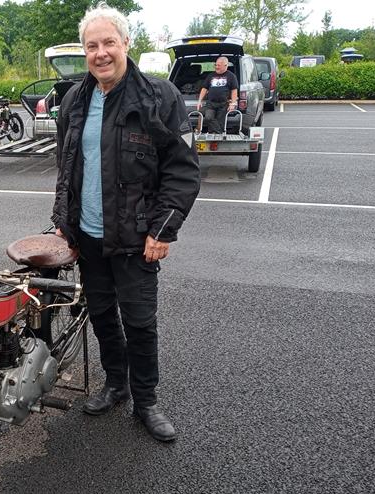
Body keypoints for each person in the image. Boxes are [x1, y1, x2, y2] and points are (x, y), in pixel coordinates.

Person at [51, 3, 200, 442]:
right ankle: (115, 384)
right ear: (84, 51)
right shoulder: (74, 100)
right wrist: (64, 220)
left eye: (108, 43)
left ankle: (146, 401)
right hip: (90, 237)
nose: (101, 53)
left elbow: (183, 169)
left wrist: (163, 228)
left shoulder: (159, 97)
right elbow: (66, 166)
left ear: (126, 44)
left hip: (137, 238)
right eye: (92, 45)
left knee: (138, 320)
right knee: (100, 314)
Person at [197, 57, 239, 133]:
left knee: (220, 123)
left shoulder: (231, 76)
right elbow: (204, 89)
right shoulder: (211, 75)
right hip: (211, 103)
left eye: (219, 65)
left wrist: (233, 103)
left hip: (223, 103)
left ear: (225, 65)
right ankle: (219, 133)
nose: (216, 67)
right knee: (208, 118)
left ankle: (214, 135)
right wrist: (199, 101)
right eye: (215, 65)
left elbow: (234, 91)